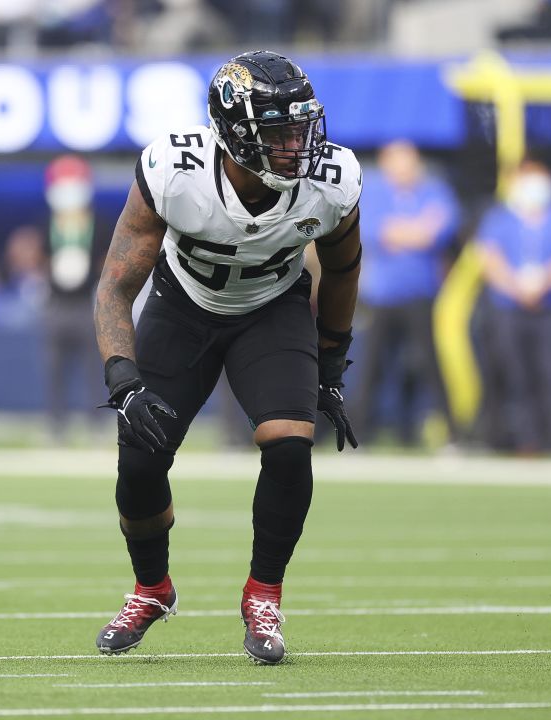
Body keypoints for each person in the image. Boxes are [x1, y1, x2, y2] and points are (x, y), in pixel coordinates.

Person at [92, 51, 363, 665]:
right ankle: (151, 588)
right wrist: (123, 379)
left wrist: (331, 361)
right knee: (139, 463)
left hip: (273, 308)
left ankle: (264, 593)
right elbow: (114, 284)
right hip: (181, 306)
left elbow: (344, 269)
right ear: (237, 133)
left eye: (302, 127)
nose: (299, 145)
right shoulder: (173, 170)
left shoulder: (333, 178)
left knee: (292, 443)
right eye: (280, 132)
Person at [476, 158, 551, 454]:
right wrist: (517, 287)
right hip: (509, 308)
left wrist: (544, 284)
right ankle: (528, 440)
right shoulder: (498, 219)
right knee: (518, 375)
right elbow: (490, 259)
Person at [352, 140, 459, 447]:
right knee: (372, 367)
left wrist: (407, 233)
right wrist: (416, 231)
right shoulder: (374, 193)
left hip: (420, 294)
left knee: (430, 365)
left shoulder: (434, 190)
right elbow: (377, 231)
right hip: (382, 296)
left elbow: (438, 231)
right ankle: (360, 434)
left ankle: (452, 434)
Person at [36, 155, 110, 442]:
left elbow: (108, 257)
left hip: (87, 304)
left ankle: (96, 424)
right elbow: (40, 256)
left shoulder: (99, 223)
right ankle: (56, 425)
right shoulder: (47, 223)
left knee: (95, 368)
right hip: (56, 304)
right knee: (54, 368)